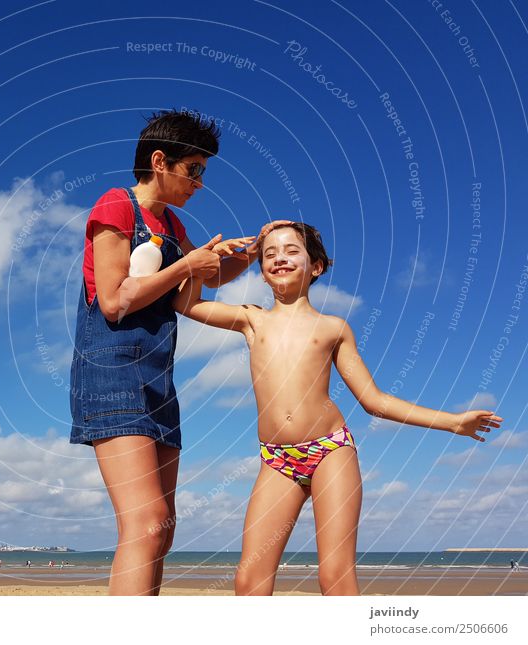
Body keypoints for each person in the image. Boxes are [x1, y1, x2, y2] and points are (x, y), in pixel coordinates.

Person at [173, 222, 503, 595]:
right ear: (261, 273)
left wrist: (453, 422)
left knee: (335, 576)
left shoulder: (333, 327)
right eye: (269, 254)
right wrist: (206, 263)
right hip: (277, 458)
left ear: (315, 267)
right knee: (249, 581)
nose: (280, 257)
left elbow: (374, 401)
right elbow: (185, 303)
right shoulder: (252, 319)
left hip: (330, 450)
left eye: (292, 250)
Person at [69, 109, 287, 596]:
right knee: (145, 522)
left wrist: (253, 251)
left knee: (163, 527)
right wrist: (186, 262)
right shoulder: (116, 205)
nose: (200, 184)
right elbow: (114, 299)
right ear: (161, 161)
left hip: (157, 380)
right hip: (112, 374)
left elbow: (202, 283)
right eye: (195, 171)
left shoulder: (168, 223)